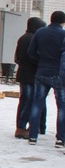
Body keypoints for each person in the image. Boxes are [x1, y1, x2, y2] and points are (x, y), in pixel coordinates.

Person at [26, 11, 65, 146]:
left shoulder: (40, 32)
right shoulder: (63, 34)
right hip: (58, 74)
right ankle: (60, 138)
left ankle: (32, 136)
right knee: (61, 106)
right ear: (62, 22)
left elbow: (31, 51)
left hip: (41, 71)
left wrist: (40, 62)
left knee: (37, 103)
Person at [14, 17, 46, 139]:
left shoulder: (22, 38)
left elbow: (16, 57)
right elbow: (34, 56)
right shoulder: (34, 39)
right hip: (32, 74)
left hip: (23, 73)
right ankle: (22, 127)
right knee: (30, 101)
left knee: (23, 101)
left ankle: (20, 126)